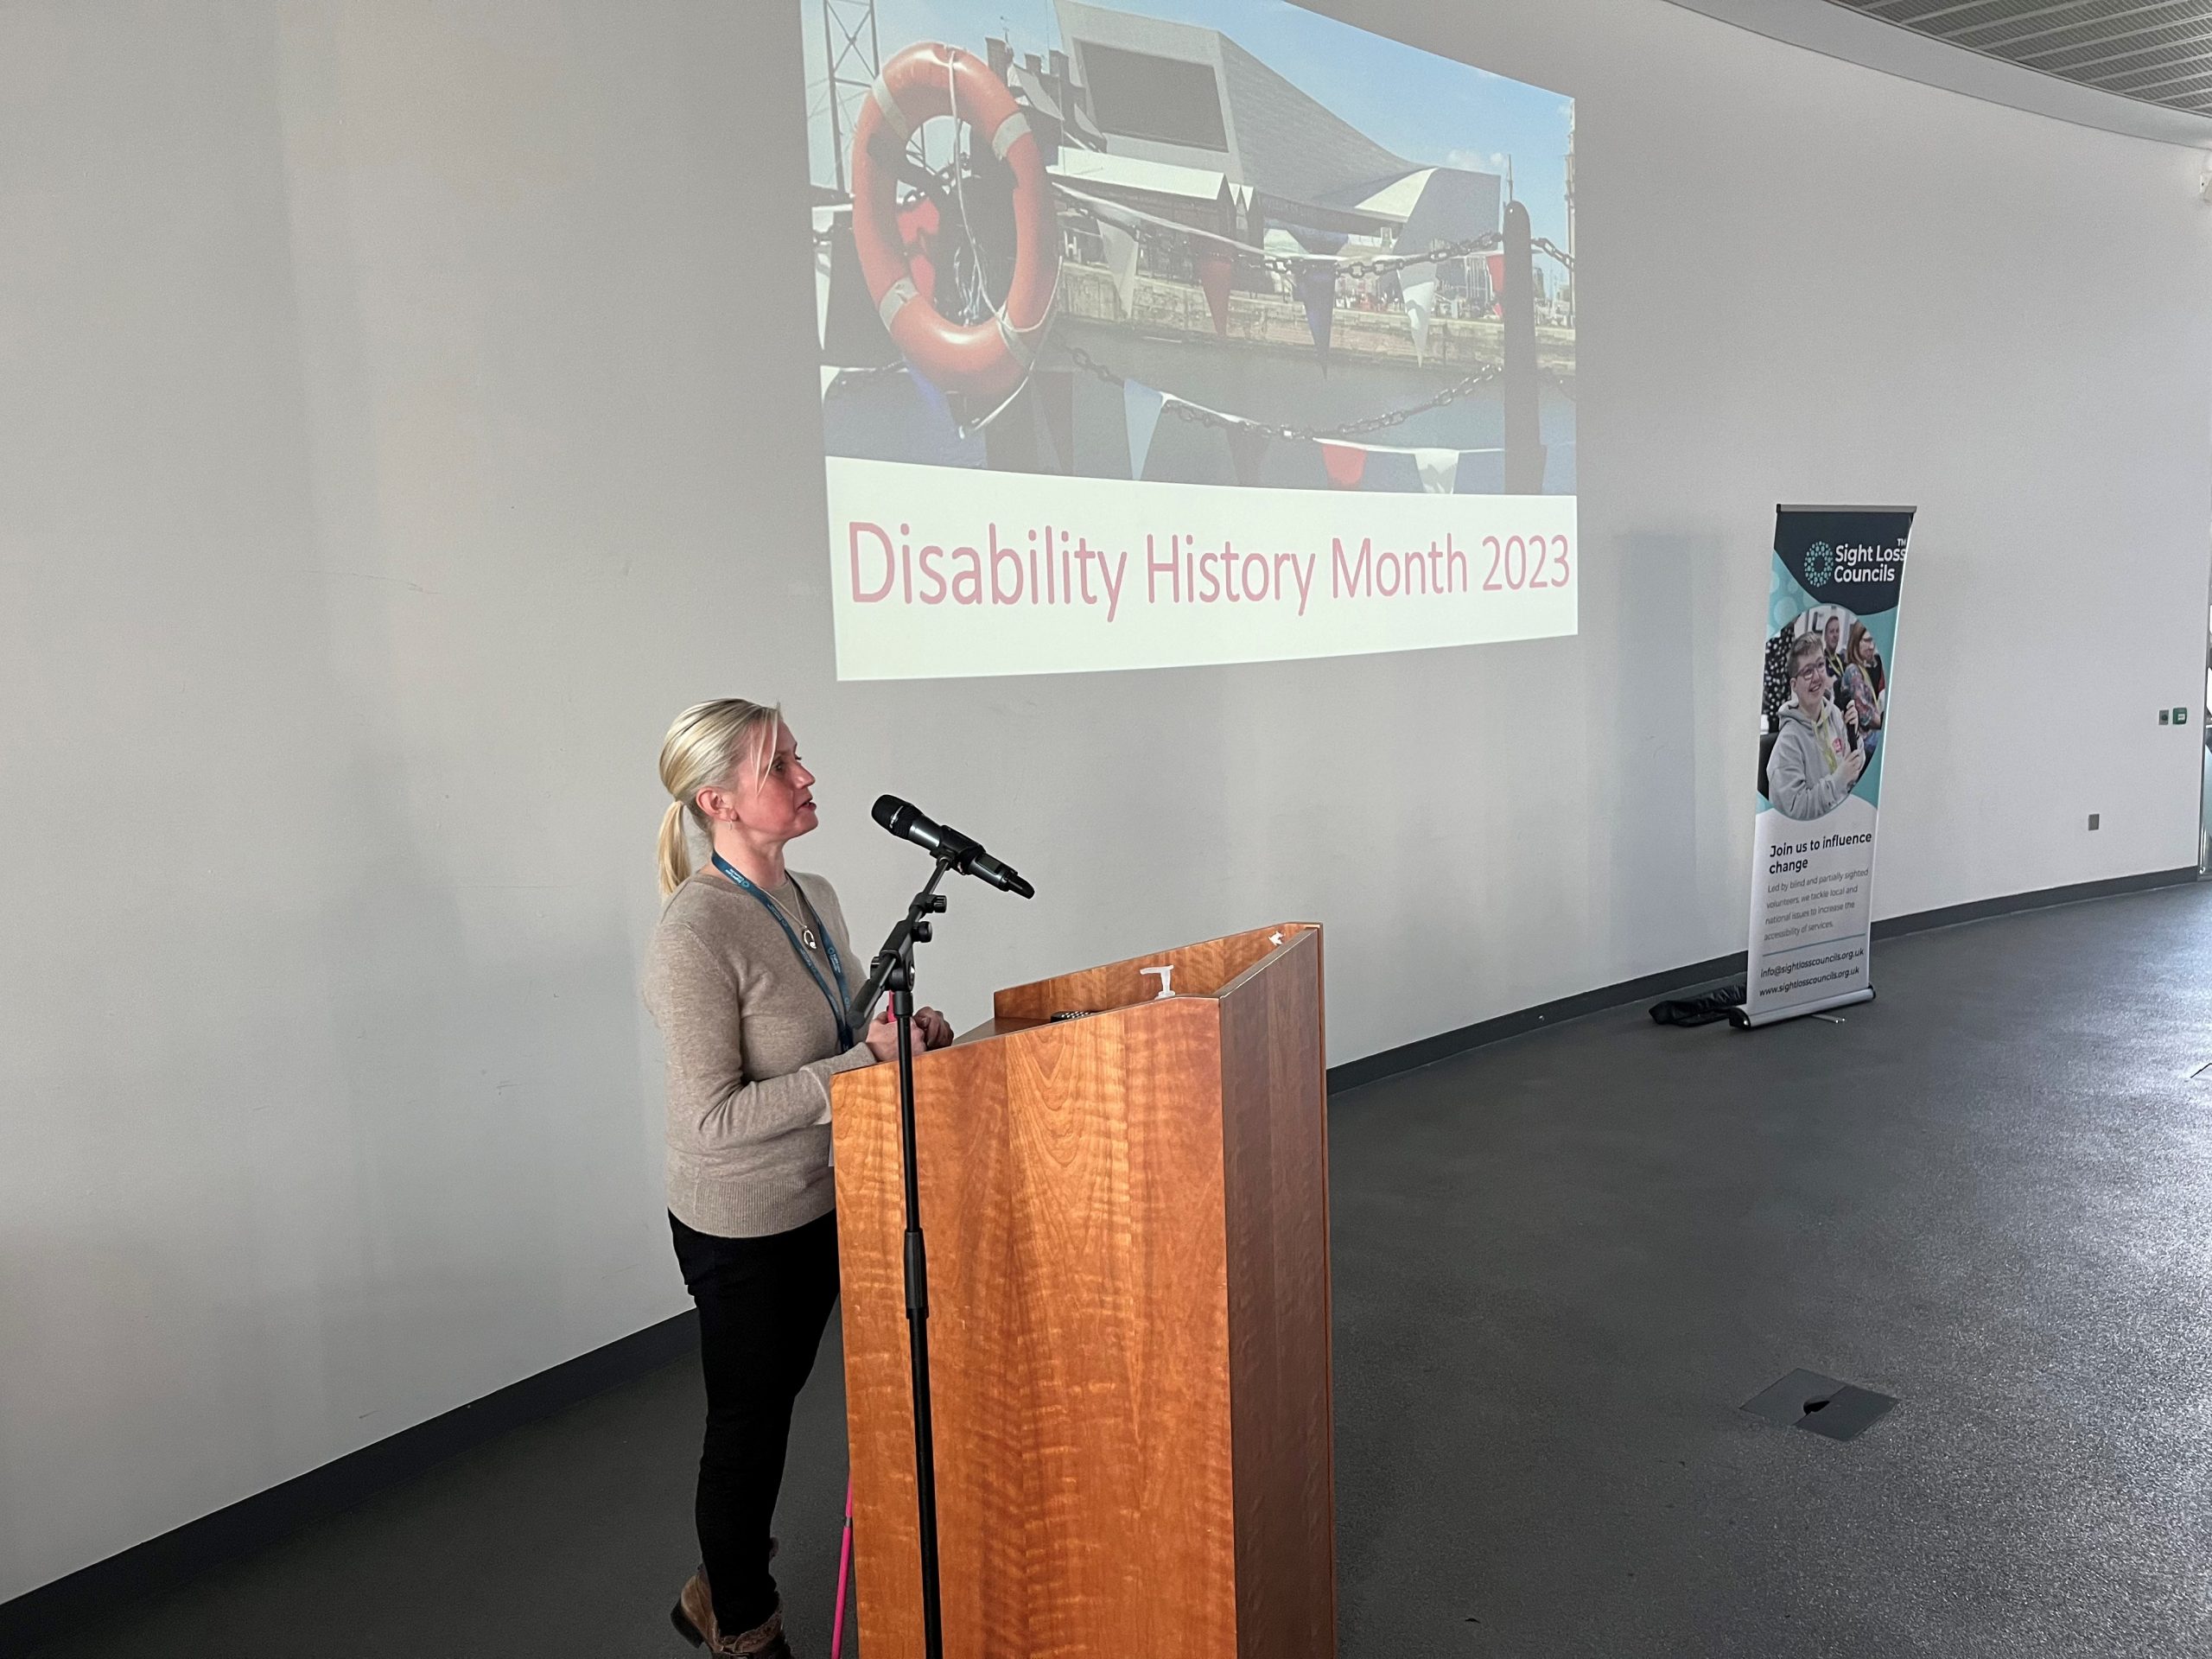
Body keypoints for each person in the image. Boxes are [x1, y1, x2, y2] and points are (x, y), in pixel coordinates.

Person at [644, 699, 954, 1657]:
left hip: (829, 1192)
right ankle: (739, 1617)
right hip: (743, 1224)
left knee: (780, 1399)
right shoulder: (693, 936)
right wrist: (862, 1065)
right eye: (780, 765)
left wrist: (901, 1036)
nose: (807, 776)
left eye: (797, 757)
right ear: (718, 802)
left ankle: (722, 1579)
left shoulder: (813, 891)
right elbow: (713, 1118)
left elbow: (834, 1031)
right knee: (751, 1424)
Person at [1769, 633, 1865, 821]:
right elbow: (1795, 811)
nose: (1817, 677)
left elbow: (1855, 768)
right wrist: (1839, 780)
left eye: (1820, 665)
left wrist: (1853, 735)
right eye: (1807, 671)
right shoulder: (1788, 743)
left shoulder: (1835, 714)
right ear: (1794, 685)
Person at [1841, 621, 1885, 757]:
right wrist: (1886, 725)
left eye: (1873, 641)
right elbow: (1866, 716)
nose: (1872, 646)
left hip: (1870, 733)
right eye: (1867, 641)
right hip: (1862, 738)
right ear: (1856, 642)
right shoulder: (1853, 671)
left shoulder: (1865, 668)